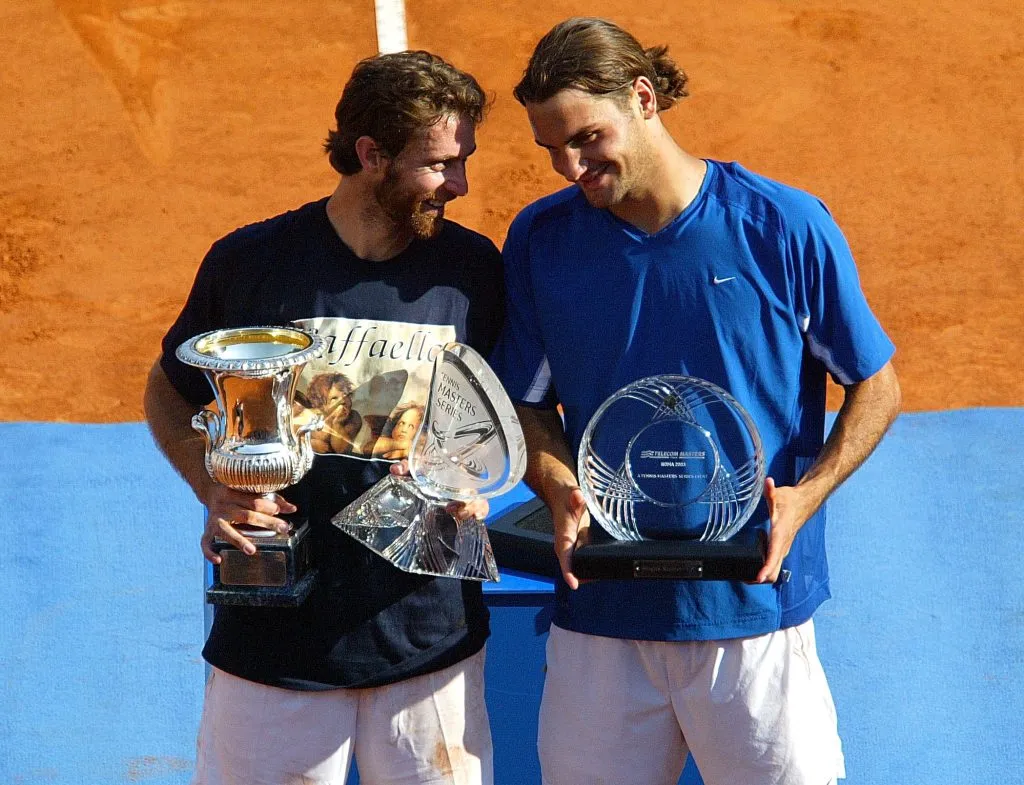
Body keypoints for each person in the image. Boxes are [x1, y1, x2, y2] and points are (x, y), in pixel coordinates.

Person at [490, 17, 902, 785]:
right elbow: (527, 403)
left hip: (750, 610)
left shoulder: (781, 226)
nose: (570, 166)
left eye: (586, 138)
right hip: (603, 615)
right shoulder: (543, 241)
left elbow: (875, 383)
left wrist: (806, 496)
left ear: (643, 99)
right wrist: (557, 485)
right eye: (551, 148)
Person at [144, 50, 503, 785]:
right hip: (273, 641)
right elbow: (169, 388)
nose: (461, 185)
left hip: (427, 642)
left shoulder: (472, 270)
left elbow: (509, 410)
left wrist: (474, 479)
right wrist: (210, 484)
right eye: (440, 164)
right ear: (371, 155)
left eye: (463, 160)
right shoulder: (252, 263)